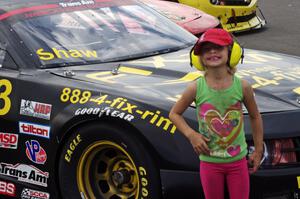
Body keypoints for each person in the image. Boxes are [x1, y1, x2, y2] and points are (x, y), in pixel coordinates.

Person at [169, 28, 264, 199]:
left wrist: (258, 150)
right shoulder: (196, 87)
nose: (212, 51)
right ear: (199, 58)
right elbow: (174, 114)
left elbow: (255, 116)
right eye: (206, 49)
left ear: (230, 52)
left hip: (238, 163)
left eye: (218, 47)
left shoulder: (242, 86)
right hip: (209, 163)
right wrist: (191, 135)